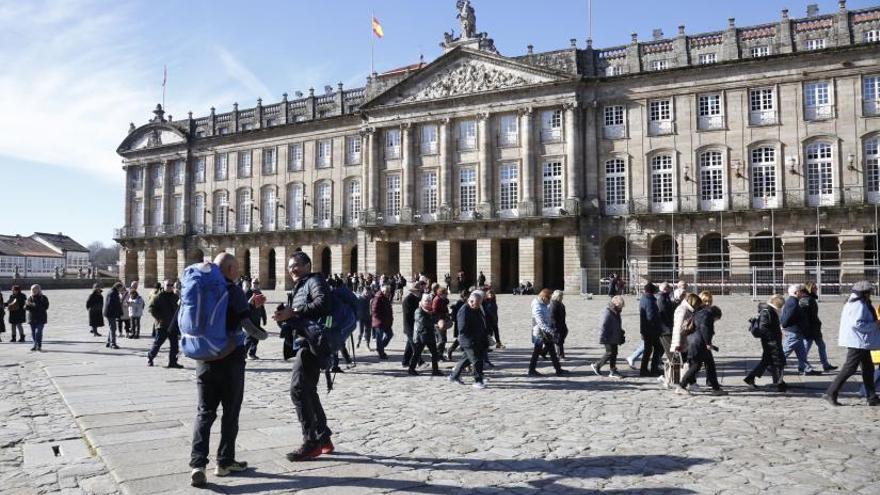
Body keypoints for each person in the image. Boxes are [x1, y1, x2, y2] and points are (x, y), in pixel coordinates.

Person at [189, 253, 266, 487]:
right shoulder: (232, 290)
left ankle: (197, 464)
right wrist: (263, 333)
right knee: (230, 413)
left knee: (205, 412)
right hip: (230, 358)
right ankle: (224, 462)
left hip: (204, 358)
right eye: (237, 267)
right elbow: (246, 325)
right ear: (231, 269)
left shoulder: (201, 290)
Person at [273, 251, 335, 461]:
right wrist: (284, 317)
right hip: (305, 342)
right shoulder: (301, 285)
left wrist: (295, 311)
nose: (292, 270)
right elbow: (299, 315)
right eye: (290, 267)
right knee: (309, 390)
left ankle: (311, 442)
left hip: (311, 344)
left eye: (296, 265)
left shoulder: (314, 280)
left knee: (298, 390)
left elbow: (323, 303)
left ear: (308, 265)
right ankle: (323, 437)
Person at [823, 281, 880, 407]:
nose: (871, 295)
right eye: (869, 292)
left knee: (868, 369)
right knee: (850, 368)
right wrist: (875, 324)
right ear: (864, 293)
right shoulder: (858, 304)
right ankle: (831, 392)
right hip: (857, 341)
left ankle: (872, 397)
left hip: (861, 341)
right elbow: (857, 324)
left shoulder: (857, 302)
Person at [677, 300, 727, 396]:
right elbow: (705, 329)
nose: (715, 321)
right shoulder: (708, 316)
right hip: (699, 343)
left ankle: (716, 388)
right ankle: (681, 386)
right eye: (716, 320)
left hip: (693, 341)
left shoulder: (699, 313)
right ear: (715, 315)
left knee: (710, 364)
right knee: (696, 365)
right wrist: (708, 343)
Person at [744, 295, 788, 392]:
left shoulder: (770, 310)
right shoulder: (767, 311)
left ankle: (751, 378)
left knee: (767, 362)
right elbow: (763, 328)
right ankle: (778, 383)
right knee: (778, 361)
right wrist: (773, 338)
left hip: (771, 341)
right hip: (771, 342)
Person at [448, 290, 489, 389]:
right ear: (470, 301)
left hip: (478, 339)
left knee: (466, 360)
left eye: (479, 304)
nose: (478, 306)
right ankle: (478, 381)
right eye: (476, 304)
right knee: (477, 360)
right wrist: (473, 338)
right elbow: (462, 329)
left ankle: (453, 376)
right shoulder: (464, 311)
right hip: (469, 341)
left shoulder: (476, 308)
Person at [781, 284, 821, 376]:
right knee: (785, 351)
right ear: (796, 293)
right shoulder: (793, 302)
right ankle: (773, 365)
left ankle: (806, 369)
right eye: (800, 291)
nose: (802, 293)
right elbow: (786, 319)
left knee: (802, 353)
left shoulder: (793, 301)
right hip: (794, 332)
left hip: (797, 332)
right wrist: (785, 326)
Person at [528, 288, 569, 377]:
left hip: (546, 332)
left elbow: (548, 318)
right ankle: (531, 370)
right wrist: (551, 331)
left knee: (552, 352)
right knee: (536, 352)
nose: (550, 301)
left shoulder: (544, 304)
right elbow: (540, 322)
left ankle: (558, 369)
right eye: (549, 299)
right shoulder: (537, 306)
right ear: (543, 297)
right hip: (539, 332)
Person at [803, 281, 836, 372]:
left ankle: (825, 365)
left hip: (815, 328)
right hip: (810, 329)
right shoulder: (806, 300)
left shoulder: (810, 299)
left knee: (821, 346)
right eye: (815, 288)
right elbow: (806, 316)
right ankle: (803, 365)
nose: (817, 289)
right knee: (805, 348)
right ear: (810, 289)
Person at [147, 280, 182, 368]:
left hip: (173, 325)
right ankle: (150, 358)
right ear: (164, 286)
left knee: (175, 345)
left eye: (171, 285)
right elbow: (151, 309)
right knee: (157, 344)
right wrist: (159, 318)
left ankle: (173, 362)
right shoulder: (158, 296)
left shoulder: (175, 296)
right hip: (162, 325)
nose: (170, 287)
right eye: (168, 285)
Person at [409, 293, 443, 376]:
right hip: (421, 336)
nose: (428, 303)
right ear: (422, 302)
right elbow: (424, 322)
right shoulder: (419, 310)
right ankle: (411, 369)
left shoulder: (431, 311)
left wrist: (438, 320)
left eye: (429, 301)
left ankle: (435, 370)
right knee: (417, 353)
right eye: (426, 301)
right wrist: (435, 322)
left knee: (434, 353)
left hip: (430, 335)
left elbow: (436, 318)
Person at [591, 295, 625, 378]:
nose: (621, 308)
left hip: (614, 336)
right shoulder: (607, 312)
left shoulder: (615, 311)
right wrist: (602, 337)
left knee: (614, 353)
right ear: (615, 304)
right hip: (608, 336)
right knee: (609, 353)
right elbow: (603, 326)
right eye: (620, 306)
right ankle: (597, 365)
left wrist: (620, 333)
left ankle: (613, 371)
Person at [639, 283, 664, 377]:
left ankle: (646, 369)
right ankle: (651, 369)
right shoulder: (649, 300)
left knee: (649, 350)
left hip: (646, 329)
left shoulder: (644, 298)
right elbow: (651, 316)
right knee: (656, 348)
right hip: (651, 330)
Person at [401, 282, 424, 368]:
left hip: (415, 325)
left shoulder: (417, 298)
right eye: (418, 291)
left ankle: (405, 361)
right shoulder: (407, 300)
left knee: (409, 346)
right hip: (410, 326)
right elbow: (408, 316)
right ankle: (420, 361)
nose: (419, 292)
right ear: (414, 291)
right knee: (415, 345)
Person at [244, 279, 267, 360]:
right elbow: (245, 305)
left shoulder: (259, 293)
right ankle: (243, 353)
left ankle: (252, 353)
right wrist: (252, 298)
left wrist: (264, 318)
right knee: (249, 337)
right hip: (250, 318)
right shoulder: (248, 292)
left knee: (256, 337)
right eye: (254, 283)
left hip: (257, 318)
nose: (256, 284)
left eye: (257, 283)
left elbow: (262, 306)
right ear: (251, 283)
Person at [446, 288, 470, 361]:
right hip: (460, 324)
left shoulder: (467, 302)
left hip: (466, 324)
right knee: (461, 339)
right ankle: (451, 350)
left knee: (461, 339)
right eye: (468, 296)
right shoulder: (459, 303)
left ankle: (452, 351)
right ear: (464, 296)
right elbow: (455, 316)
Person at [371, 284, 394, 360]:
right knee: (379, 338)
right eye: (387, 291)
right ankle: (381, 353)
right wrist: (380, 318)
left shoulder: (386, 297)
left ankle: (380, 347)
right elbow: (374, 310)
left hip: (386, 321)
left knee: (390, 334)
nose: (388, 293)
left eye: (389, 291)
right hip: (379, 322)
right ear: (383, 291)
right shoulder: (378, 298)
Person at [25, 285, 49, 352]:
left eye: (35, 289)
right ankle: (35, 345)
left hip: (41, 318)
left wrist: (34, 305)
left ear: (39, 290)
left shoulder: (43, 298)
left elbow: (46, 307)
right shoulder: (30, 298)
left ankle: (39, 345)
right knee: (33, 332)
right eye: (32, 289)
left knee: (38, 332)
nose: (34, 291)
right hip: (31, 318)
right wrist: (27, 305)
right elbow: (26, 308)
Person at [657, 282, 676, 359]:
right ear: (665, 289)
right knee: (667, 347)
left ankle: (657, 362)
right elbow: (663, 311)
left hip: (666, 326)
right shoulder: (661, 298)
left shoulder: (666, 297)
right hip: (665, 328)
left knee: (661, 348)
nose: (671, 290)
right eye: (669, 288)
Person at [548, 290, 568, 360]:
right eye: (561, 296)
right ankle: (560, 355)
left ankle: (544, 352)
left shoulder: (560, 303)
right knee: (559, 341)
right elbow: (552, 317)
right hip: (556, 326)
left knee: (557, 340)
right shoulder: (553, 304)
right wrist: (555, 327)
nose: (562, 297)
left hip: (561, 324)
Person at [103, 282, 123, 350]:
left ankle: (108, 342)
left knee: (111, 327)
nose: (121, 290)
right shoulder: (113, 293)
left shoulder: (112, 292)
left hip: (109, 313)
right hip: (111, 313)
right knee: (113, 328)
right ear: (118, 287)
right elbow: (111, 305)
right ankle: (113, 344)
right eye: (121, 288)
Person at [432, 286, 451, 356]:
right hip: (438, 322)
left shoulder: (442, 299)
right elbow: (434, 312)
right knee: (442, 339)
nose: (447, 295)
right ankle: (437, 354)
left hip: (442, 320)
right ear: (441, 294)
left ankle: (440, 354)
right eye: (445, 294)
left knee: (443, 339)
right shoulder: (437, 300)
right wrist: (443, 315)